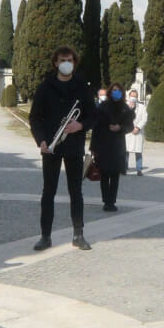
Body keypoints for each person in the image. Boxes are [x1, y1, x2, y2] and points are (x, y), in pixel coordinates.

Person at [28, 46, 98, 251]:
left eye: (69, 60)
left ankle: (78, 235)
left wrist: (80, 125)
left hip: (74, 146)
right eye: (62, 60)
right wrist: (41, 140)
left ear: (74, 63)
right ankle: (45, 236)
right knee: (48, 192)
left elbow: (93, 116)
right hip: (51, 146)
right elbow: (35, 118)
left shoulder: (82, 87)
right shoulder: (45, 87)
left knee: (76, 192)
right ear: (55, 63)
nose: (66, 63)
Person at [89, 83, 135, 212]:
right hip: (103, 144)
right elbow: (95, 128)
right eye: (114, 90)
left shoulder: (125, 108)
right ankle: (106, 201)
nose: (116, 92)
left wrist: (120, 127)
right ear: (110, 92)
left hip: (117, 146)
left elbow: (130, 126)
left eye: (118, 90)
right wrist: (93, 147)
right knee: (104, 174)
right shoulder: (103, 106)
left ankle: (112, 201)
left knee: (115, 175)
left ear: (122, 93)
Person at [125, 89, 146, 173]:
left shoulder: (142, 107)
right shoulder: (124, 106)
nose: (133, 98)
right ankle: (124, 168)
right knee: (125, 151)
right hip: (127, 132)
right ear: (129, 96)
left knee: (138, 151)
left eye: (135, 96)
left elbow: (144, 118)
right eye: (132, 96)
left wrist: (138, 127)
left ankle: (139, 169)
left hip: (138, 132)